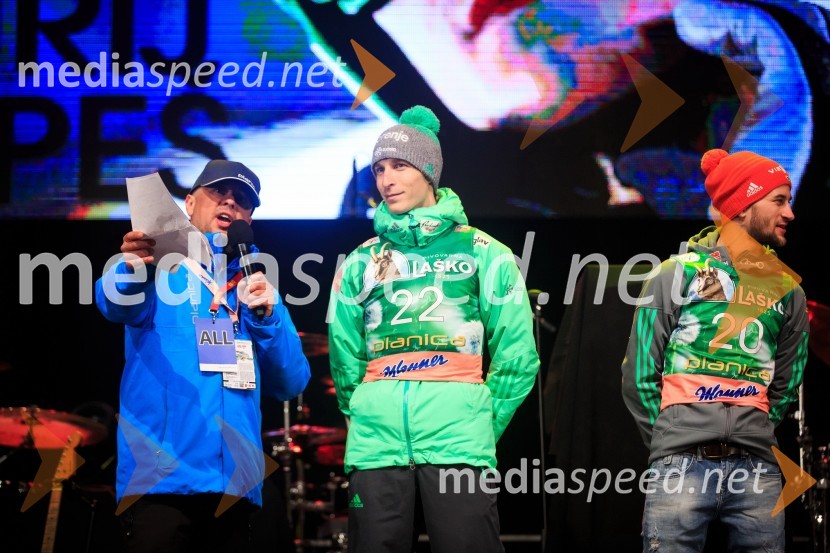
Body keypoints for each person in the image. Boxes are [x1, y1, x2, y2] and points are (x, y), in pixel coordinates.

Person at [327, 105, 541, 553]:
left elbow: (518, 355)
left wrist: (480, 418)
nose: (386, 179)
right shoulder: (362, 260)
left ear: (429, 172)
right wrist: (365, 410)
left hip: (459, 441)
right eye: (380, 168)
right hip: (375, 446)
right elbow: (345, 354)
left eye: (399, 166)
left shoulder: (484, 251)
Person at [95, 160, 310, 552]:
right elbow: (112, 304)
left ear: (249, 218)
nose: (231, 201)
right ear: (190, 202)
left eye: (243, 200)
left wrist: (268, 317)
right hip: (160, 481)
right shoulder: (157, 267)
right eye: (219, 192)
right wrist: (130, 270)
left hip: (235, 486)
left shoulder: (256, 285)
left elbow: (291, 382)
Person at [621, 148, 810, 551]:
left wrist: (754, 431)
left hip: (758, 470)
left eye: (788, 200)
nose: (790, 213)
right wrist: (672, 439)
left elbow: (788, 381)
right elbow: (638, 375)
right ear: (742, 206)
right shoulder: (676, 274)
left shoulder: (789, 290)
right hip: (680, 465)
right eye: (779, 200)